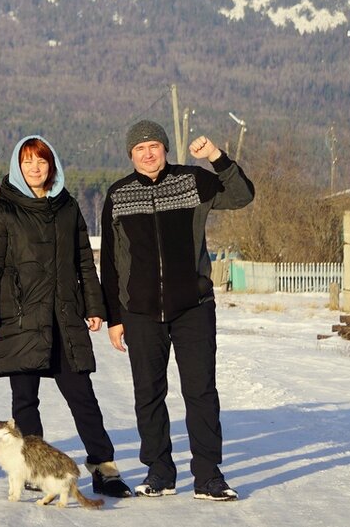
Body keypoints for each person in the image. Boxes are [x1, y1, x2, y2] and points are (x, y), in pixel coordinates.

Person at [100, 121, 254, 502]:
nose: (148, 153)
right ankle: (159, 472)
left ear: (165, 148)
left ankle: (208, 475)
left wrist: (216, 157)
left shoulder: (192, 181)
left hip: (193, 307)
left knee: (200, 390)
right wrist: (114, 316)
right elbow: (111, 261)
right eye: (139, 149)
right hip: (139, 312)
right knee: (148, 393)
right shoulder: (118, 195)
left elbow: (242, 195)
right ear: (130, 155)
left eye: (154, 145)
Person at [0, 136, 133, 498]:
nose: (35, 168)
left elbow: (83, 261)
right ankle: (34, 470)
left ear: (52, 166)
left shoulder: (67, 207)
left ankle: (104, 467)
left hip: (64, 316)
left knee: (82, 396)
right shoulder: (2, 209)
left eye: (42, 161)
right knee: (25, 399)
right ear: (17, 165)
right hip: (18, 316)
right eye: (28, 161)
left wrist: (94, 307)